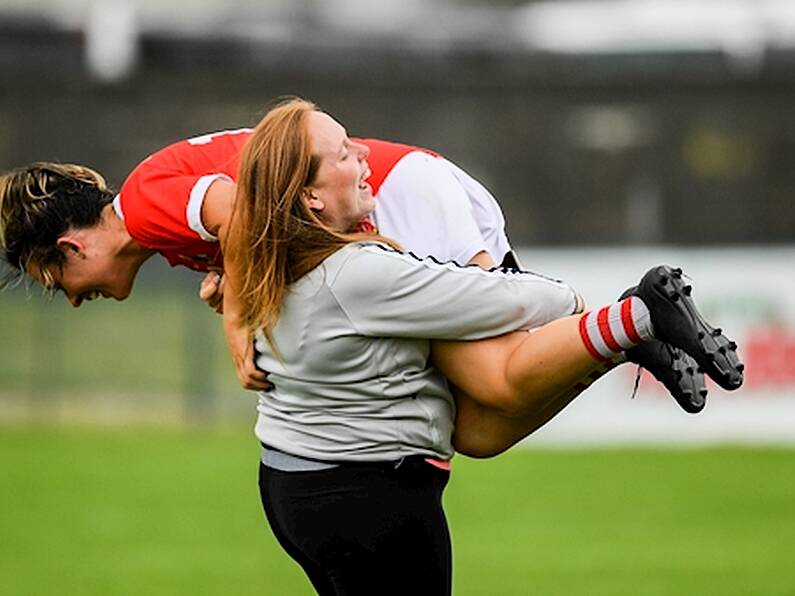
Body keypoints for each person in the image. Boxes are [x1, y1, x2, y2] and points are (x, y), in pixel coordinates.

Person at [219, 98, 743, 594]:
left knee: (479, 429)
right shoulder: (359, 275)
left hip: (296, 489)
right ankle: (641, 315)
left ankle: (628, 333)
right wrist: (576, 299)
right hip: (367, 500)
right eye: (342, 153)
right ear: (310, 196)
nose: (362, 153)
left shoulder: (269, 259)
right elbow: (500, 298)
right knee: (499, 383)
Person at [0, 106, 713, 458]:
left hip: (393, 196)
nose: (69, 296)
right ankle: (625, 331)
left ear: (67, 245)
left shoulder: (144, 208)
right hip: (396, 192)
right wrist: (230, 281)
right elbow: (253, 225)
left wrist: (236, 324)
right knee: (475, 431)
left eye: (54, 278)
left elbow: (246, 211)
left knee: (493, 387)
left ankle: (638, 314)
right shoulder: (159, 221)